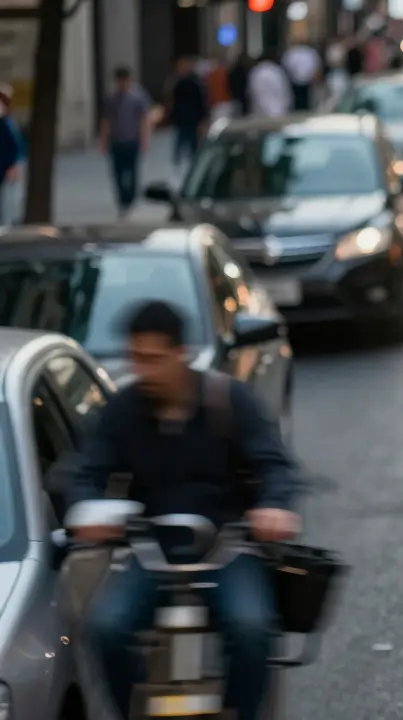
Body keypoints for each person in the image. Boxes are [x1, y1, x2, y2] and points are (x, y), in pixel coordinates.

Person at [67, 299, 301, 720]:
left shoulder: (231, 401)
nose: (144, 371)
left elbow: (275, 466)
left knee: (252, 628)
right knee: (105, 628)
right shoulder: (122, 411)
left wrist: (273, 507)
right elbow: (87, 469)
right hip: (149, 550)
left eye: (154, 359)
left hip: (228, 547)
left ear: (182, 353)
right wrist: (87, 510)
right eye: (136, 358)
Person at [100, 66, 152, 219]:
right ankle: (122, 200)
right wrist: (103, 141)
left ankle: (130, 199)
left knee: (132, 171)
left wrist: (145, 140)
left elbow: (144, 119)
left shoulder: (137, 97)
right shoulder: (112, 98)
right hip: (116, 141)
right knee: (117, 172)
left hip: (132, 140)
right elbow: (106, 120)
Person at [167, 56, 209, 178]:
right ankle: (178, 162)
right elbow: (172, 100)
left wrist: (202, 118)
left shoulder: (195, 83)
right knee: (180, 141)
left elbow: (201, 101)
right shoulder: (177, 82)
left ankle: (193, 163)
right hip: (182, 118)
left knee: (192, 143)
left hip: (192, 118)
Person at [0, 84, 25, 226]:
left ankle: (5, 225)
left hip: (6, 168)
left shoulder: (7, 124)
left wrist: (13, 165)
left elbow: (16, 147)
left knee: (7, 200)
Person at [248, 50, 293, 118]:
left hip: (261, 112)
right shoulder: (277, 71)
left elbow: (254, 91)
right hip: (280, 110)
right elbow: (285, 91)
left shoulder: (257, 71)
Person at [282, 40, 322, 111]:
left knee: (299, 99)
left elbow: (286, 66)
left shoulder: (292, 52)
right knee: (304, 99)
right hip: (303, 80)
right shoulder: (310, 52)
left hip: (298, 80)